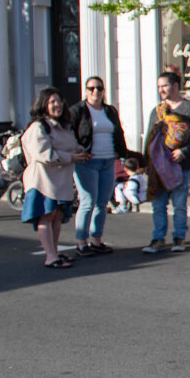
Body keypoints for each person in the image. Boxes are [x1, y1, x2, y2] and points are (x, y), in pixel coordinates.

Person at [21, 87, 90, 268]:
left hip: (60, 180)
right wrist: (70, 157)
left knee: (57, 216)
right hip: (43, 180)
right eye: (52, 102)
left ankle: (56, 252)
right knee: (46, 216)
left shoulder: (62, 126)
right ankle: (50, 256)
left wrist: (78, 151)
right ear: (43, 105)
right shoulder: (38, 127)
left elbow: (69, 146)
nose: (57, 105)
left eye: (59, 101)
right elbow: (43, 154)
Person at [141, 69, 190, 253]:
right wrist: (146, 161)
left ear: (175, 86)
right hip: (159, 166)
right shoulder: (158, 111)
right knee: (159, 205)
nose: (161, 89)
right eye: (159, 86)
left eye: (165, 86)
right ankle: (157, 238)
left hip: (181, 163)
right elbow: (150, 136)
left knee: (179, 203)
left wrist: (184, 151)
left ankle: (179, 238)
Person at [69, 76, 129, 255]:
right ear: (85, 91)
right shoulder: (78, 110)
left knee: (102, 203)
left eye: (99, 88)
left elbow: (118, 131)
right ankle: (81, 242)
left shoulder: (109, 111)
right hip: (87, 162)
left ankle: (97, 239)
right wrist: (78, 151)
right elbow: (70, 133)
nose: (95, 92)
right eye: (91, 88)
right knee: (88, 201)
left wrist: (121, 152)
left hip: (108, 160)